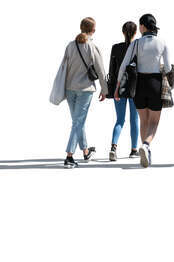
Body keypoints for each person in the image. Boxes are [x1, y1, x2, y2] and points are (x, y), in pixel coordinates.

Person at [115, 14, 171, 167]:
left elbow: (124, 66)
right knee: (154, 121)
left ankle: (144, 151)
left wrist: (118, 87)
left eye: (140, 25)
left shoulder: (136, 44)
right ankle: (146, 146)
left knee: (143, 120)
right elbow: (168, 68)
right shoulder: (162, 43)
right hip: (155, 84)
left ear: (143, 26)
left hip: (139, 85)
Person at [62, 17, 108, 168]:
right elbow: (101, 70)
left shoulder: (70, 45)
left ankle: (86, 152)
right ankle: (69, 156)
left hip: (69, 89)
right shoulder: (91, 46)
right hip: (85, 90)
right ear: (93, 30)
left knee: (77, 122)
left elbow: (64, 68)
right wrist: (104, 89)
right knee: (77, 122)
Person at [108, 22, 140, 161]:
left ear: (122, 32)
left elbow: (111, 70)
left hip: (118, 87)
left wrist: (110, 88)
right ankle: (134, 150)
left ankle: (113, 148)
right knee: (135, 120)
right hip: (135, 87)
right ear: (136, 32)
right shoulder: (138, 47)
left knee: (120, 120)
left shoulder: (116, 48)